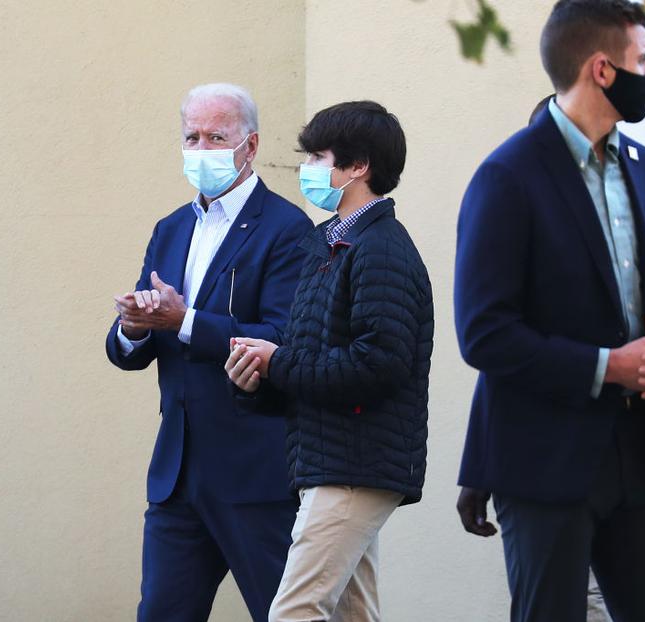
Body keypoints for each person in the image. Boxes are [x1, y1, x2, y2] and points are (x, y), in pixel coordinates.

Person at [453, 2, 645, 621]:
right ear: (601, 69)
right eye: (642, 58)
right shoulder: (507, 175)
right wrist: (608, 366)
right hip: (545, 461)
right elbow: (484, 333)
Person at [106, 83, 312, 622]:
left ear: (250, 145)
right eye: (191, 137)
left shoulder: (287, 230)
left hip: (253, 471)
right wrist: (133, 326)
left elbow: (281, 335)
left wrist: (184, 321)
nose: (201, 150)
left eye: (216, 137)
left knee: (284, 614)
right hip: (177, 474)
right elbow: (129, 349)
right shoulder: (170, 228)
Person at [225, 100, 433, 622]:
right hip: (331, 459)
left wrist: (278, 365)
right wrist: (257, 378)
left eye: (318, 156)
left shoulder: (381, 248)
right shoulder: (329, 243)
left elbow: (377, 364)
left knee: (295, 611)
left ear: (358, 166)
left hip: (354, 465)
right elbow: (311, 357)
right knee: (350, 614)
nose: (308, 169)